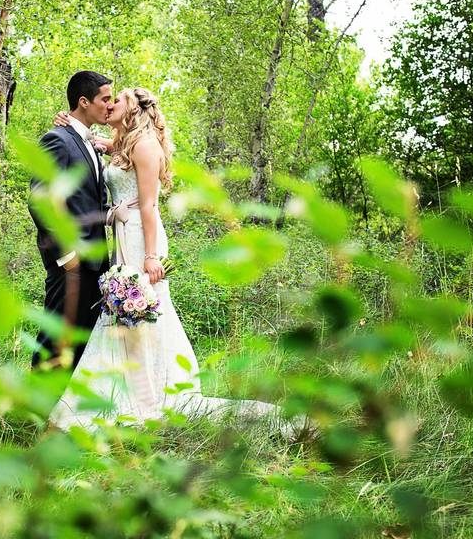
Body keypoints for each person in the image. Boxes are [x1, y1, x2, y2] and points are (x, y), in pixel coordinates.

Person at [46, 87, 304, 437]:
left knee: (140, 311)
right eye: (106, 101)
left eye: (116, 100)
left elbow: (150, 206)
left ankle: (144, 396)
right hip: (124, 235)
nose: (110, 105)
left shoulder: (146, 145)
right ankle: (127, 390)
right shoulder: (124, 142)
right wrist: (74, 124)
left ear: (133, 108)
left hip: (142, 238)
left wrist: (151, 256)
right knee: (124, 313)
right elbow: (98, 143)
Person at [28, 70, 113, 370]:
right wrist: (66, 255)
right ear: (83, 101)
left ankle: (65, 411)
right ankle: (33, 412)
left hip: (95, 262)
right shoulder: (57, 140)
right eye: (105, 99)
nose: (110, 105)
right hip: (71, 262)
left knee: (81, 341)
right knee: (55, 338)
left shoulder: (88, 141)